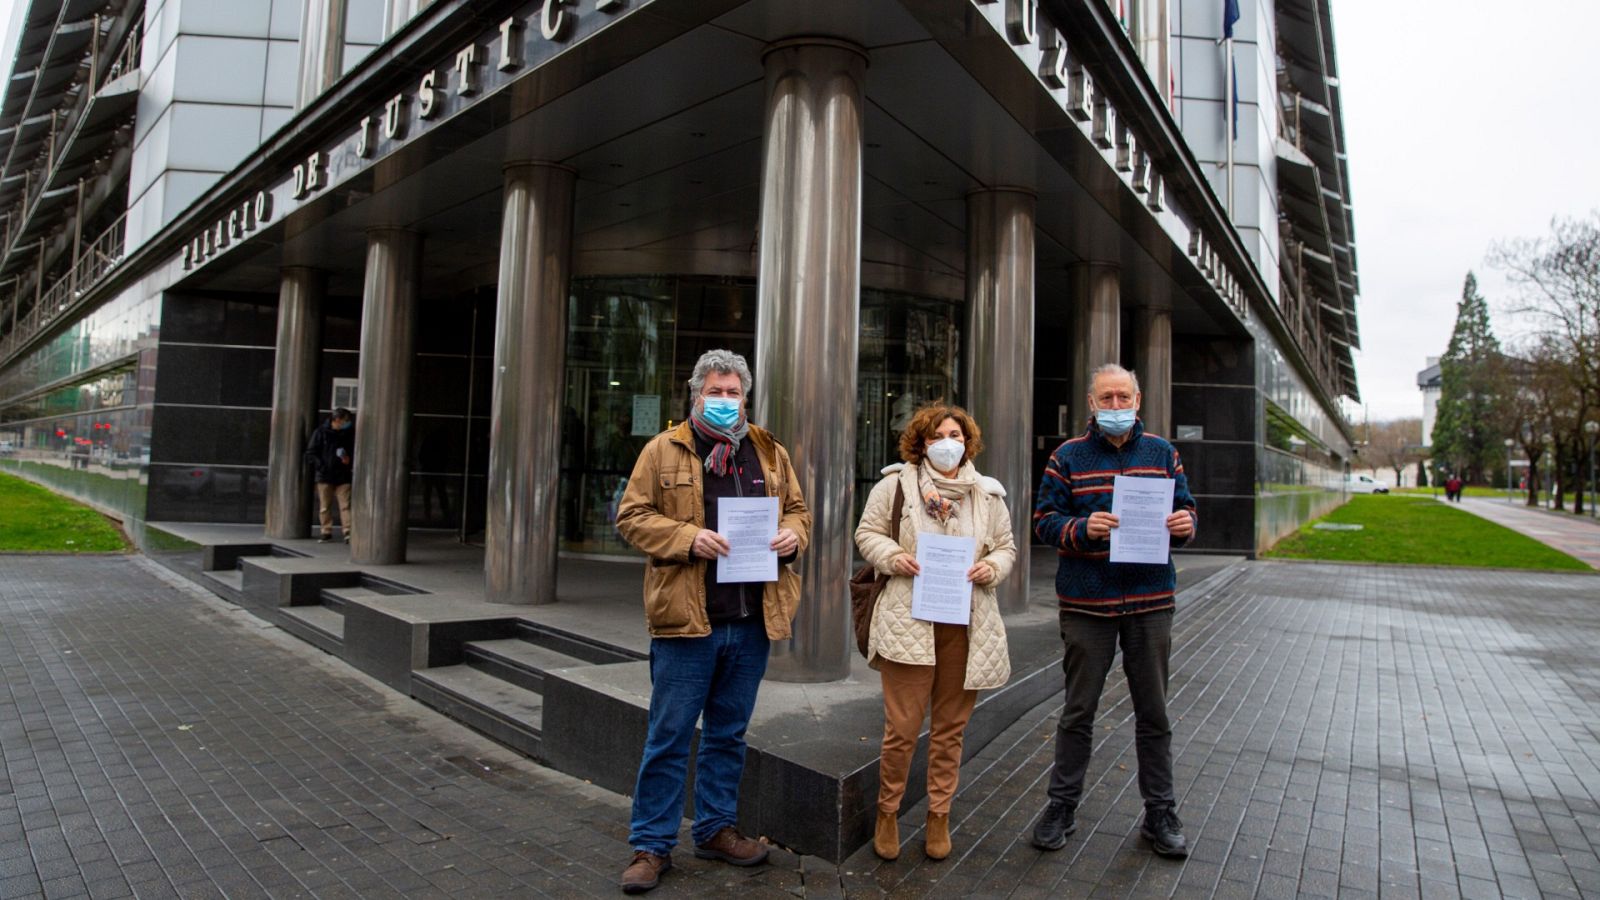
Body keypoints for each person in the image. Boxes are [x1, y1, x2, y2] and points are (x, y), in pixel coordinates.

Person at [613, 349, 811, 894]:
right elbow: (631, 516)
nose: (725, 402)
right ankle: (651, 846)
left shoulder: (768, 452)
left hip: (750, 622)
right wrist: (686, 538)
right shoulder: (663, 449)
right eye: (715, 392)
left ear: (746, 398)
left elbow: (798, 510)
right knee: (669, 737)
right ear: (695, 395)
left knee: (728, 735)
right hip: (687, 624)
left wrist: (795, 536)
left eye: (734, 393)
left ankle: (716, 829)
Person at [1030, 363, 1197, 859]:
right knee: (1078, 712)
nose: (1116, 406)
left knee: (1155, 713)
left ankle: (1160, 812)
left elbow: (1188, 512)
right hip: (1087, 604)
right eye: (1107, 398)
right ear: (1092, 403)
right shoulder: (1068, 457)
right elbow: (1044, 521)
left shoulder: (1163, 453)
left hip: (1149, 604)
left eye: (1124, 397)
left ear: (1139, 401)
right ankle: (1061, 806)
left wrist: (1185, 523)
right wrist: (1083, 529)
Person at [855, 402, 1016, 861]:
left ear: (968, 443)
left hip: (967, 626)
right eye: (939, 435)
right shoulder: (895, 486)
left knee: (950, 730)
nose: (950, 443)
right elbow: (867, 533)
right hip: (909, 621)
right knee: (902, 729)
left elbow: (1006, 546)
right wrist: (892, 556)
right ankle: (888, 813)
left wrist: (992, 567)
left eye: (957, 435)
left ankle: (938, 815)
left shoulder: (987, 494)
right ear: (922, 442)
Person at [304, 408, 355, 543]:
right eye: (345, 421)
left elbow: (353, 451)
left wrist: (348, 461)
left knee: (345, 505)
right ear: (337, 420)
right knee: (325, 505)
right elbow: (311, 452)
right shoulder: (321, 432)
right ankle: (326, 531)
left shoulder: (348, 433)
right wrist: (321, 466)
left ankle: (348, 531)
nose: (347, 423)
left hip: (343, 475)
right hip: (325, 475)